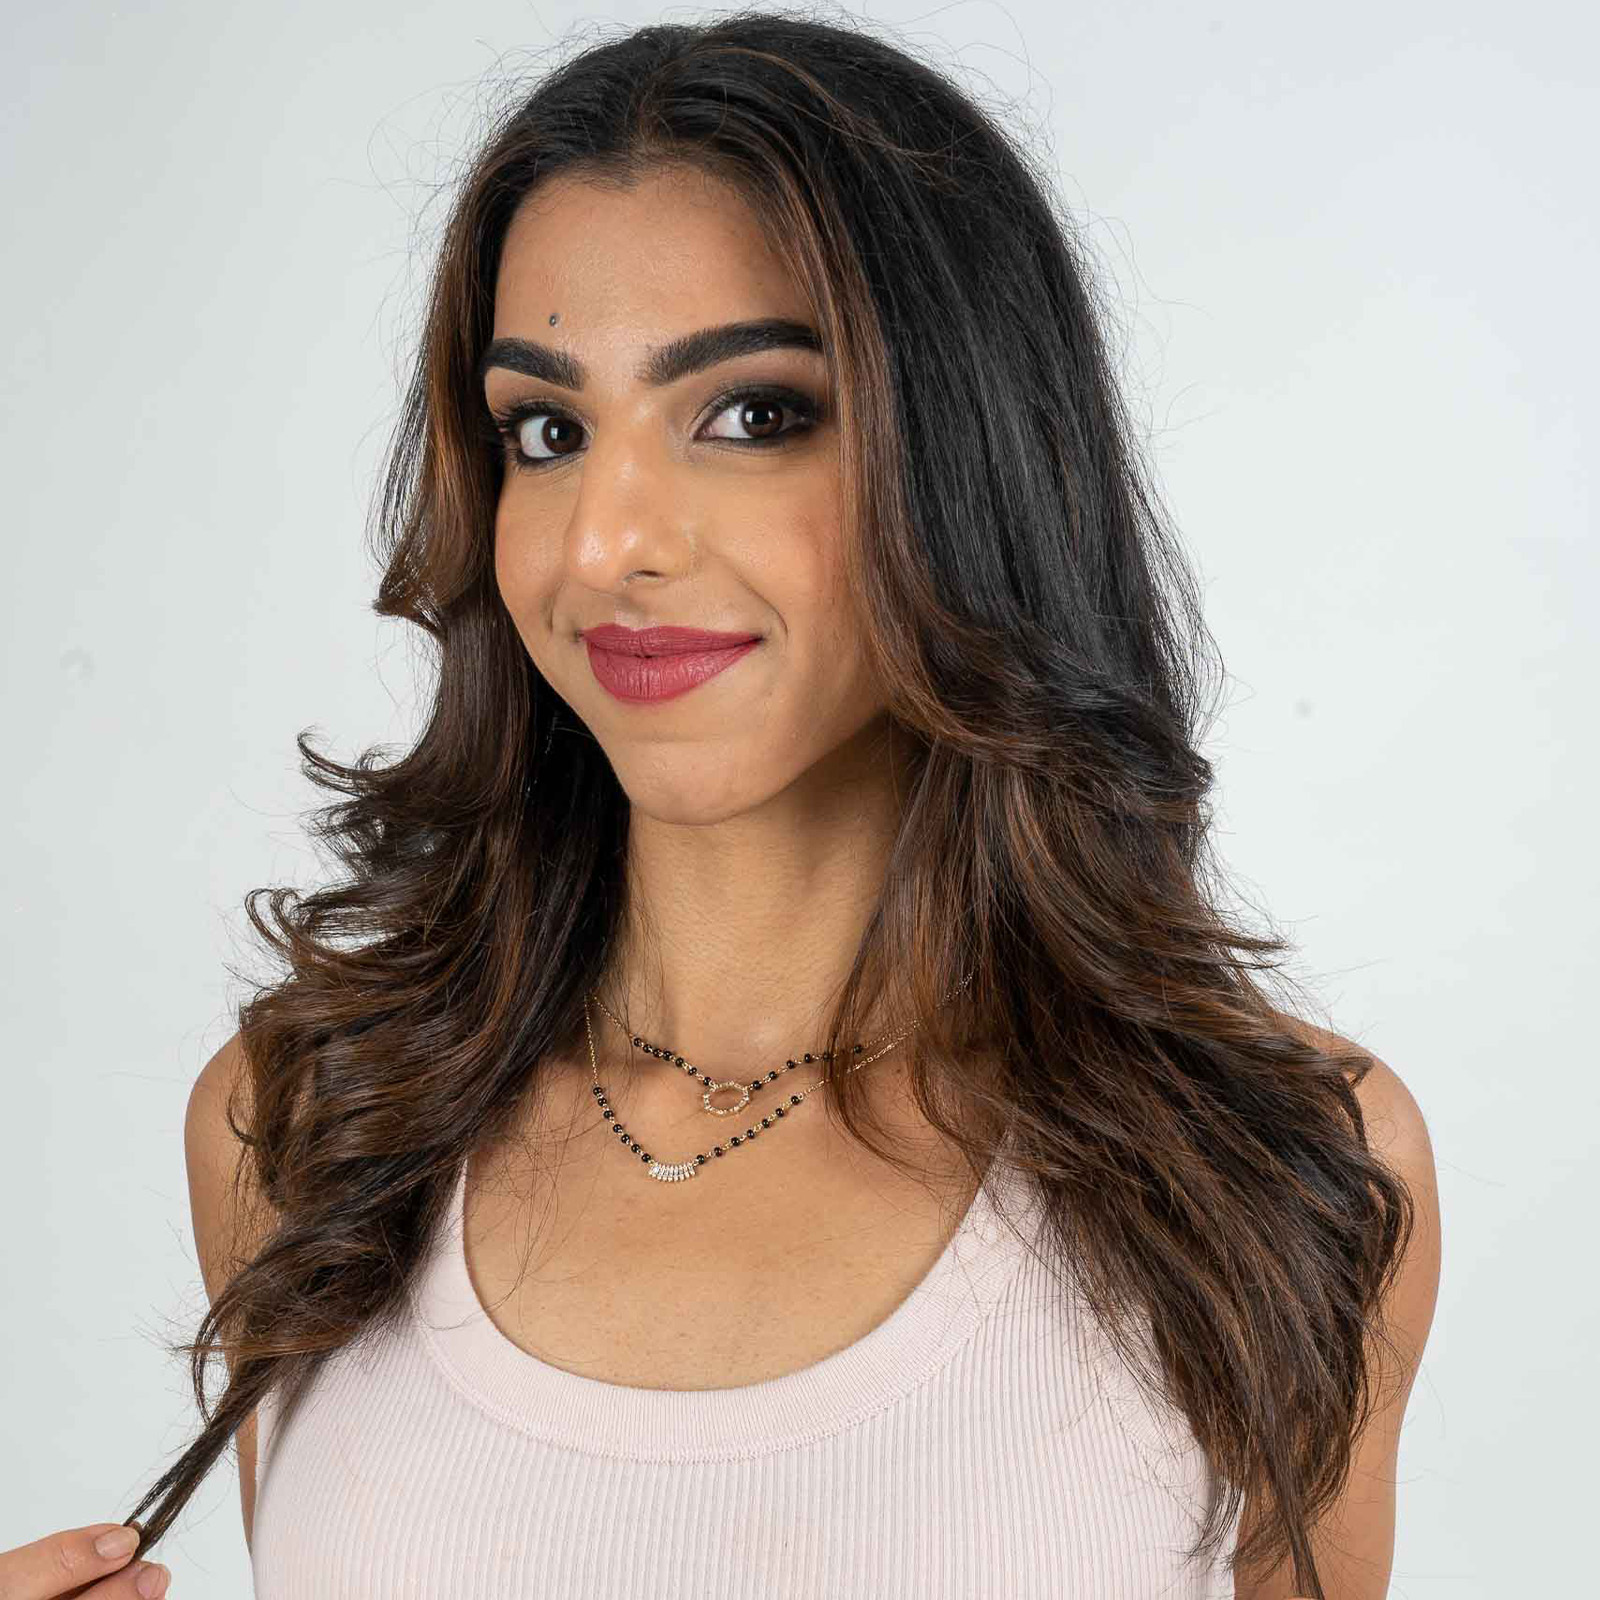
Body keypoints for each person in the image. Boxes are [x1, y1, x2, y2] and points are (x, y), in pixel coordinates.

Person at [7, 12, 1439, 1599]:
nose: (605, 541)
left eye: (754, 413)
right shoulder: (308, 1126)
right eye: (548, 432)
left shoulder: (1277, 1170)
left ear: (977, 458)